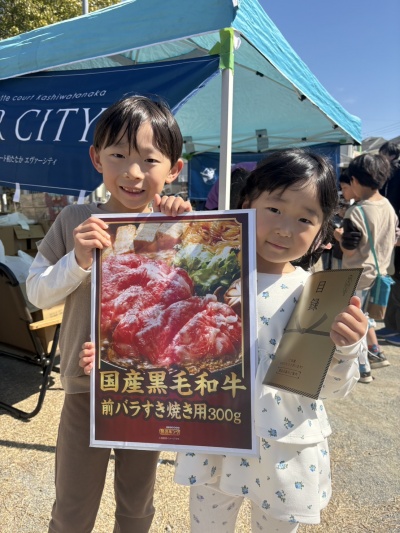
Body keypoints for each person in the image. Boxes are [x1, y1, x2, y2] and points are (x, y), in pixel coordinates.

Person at [81, 149, 368, 531]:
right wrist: (107, 365)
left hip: (284, 446)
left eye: (305, 219)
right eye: (275, 209)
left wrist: (347, 347)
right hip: (215, 438)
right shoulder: (206, 278)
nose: (285, 229)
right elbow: (163, 350)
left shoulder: (316, 293)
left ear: (322, 230)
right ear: (246, 204)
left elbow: (330, 388)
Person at [26, 95, 192, 533]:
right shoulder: (75, 220)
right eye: (118, 155)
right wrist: (77, 259)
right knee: (72, 508)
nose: (133, 172)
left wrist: (190, 227)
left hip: (148, 390)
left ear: (173, 169)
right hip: (85, 389)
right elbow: (37, 292)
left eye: (150, 160)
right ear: (97, 158)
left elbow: (192, 303)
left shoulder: (179, 226)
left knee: (137, 506)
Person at [333, 153, 397, 383]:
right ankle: (374, 354)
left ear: (355, 181)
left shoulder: (356, 212)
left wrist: (338, 235)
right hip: (381, 274)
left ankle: (364, 368)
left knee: (354, 320)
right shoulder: (387, 206)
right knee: (366, 318)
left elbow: (350, 250)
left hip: (357, 276)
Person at [376, 141, 400, 345]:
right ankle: (391, 326)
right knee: (394, 281)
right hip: (393, 232)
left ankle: (397, 329)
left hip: (396, 234)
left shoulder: (395, 173)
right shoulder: (391, 173)